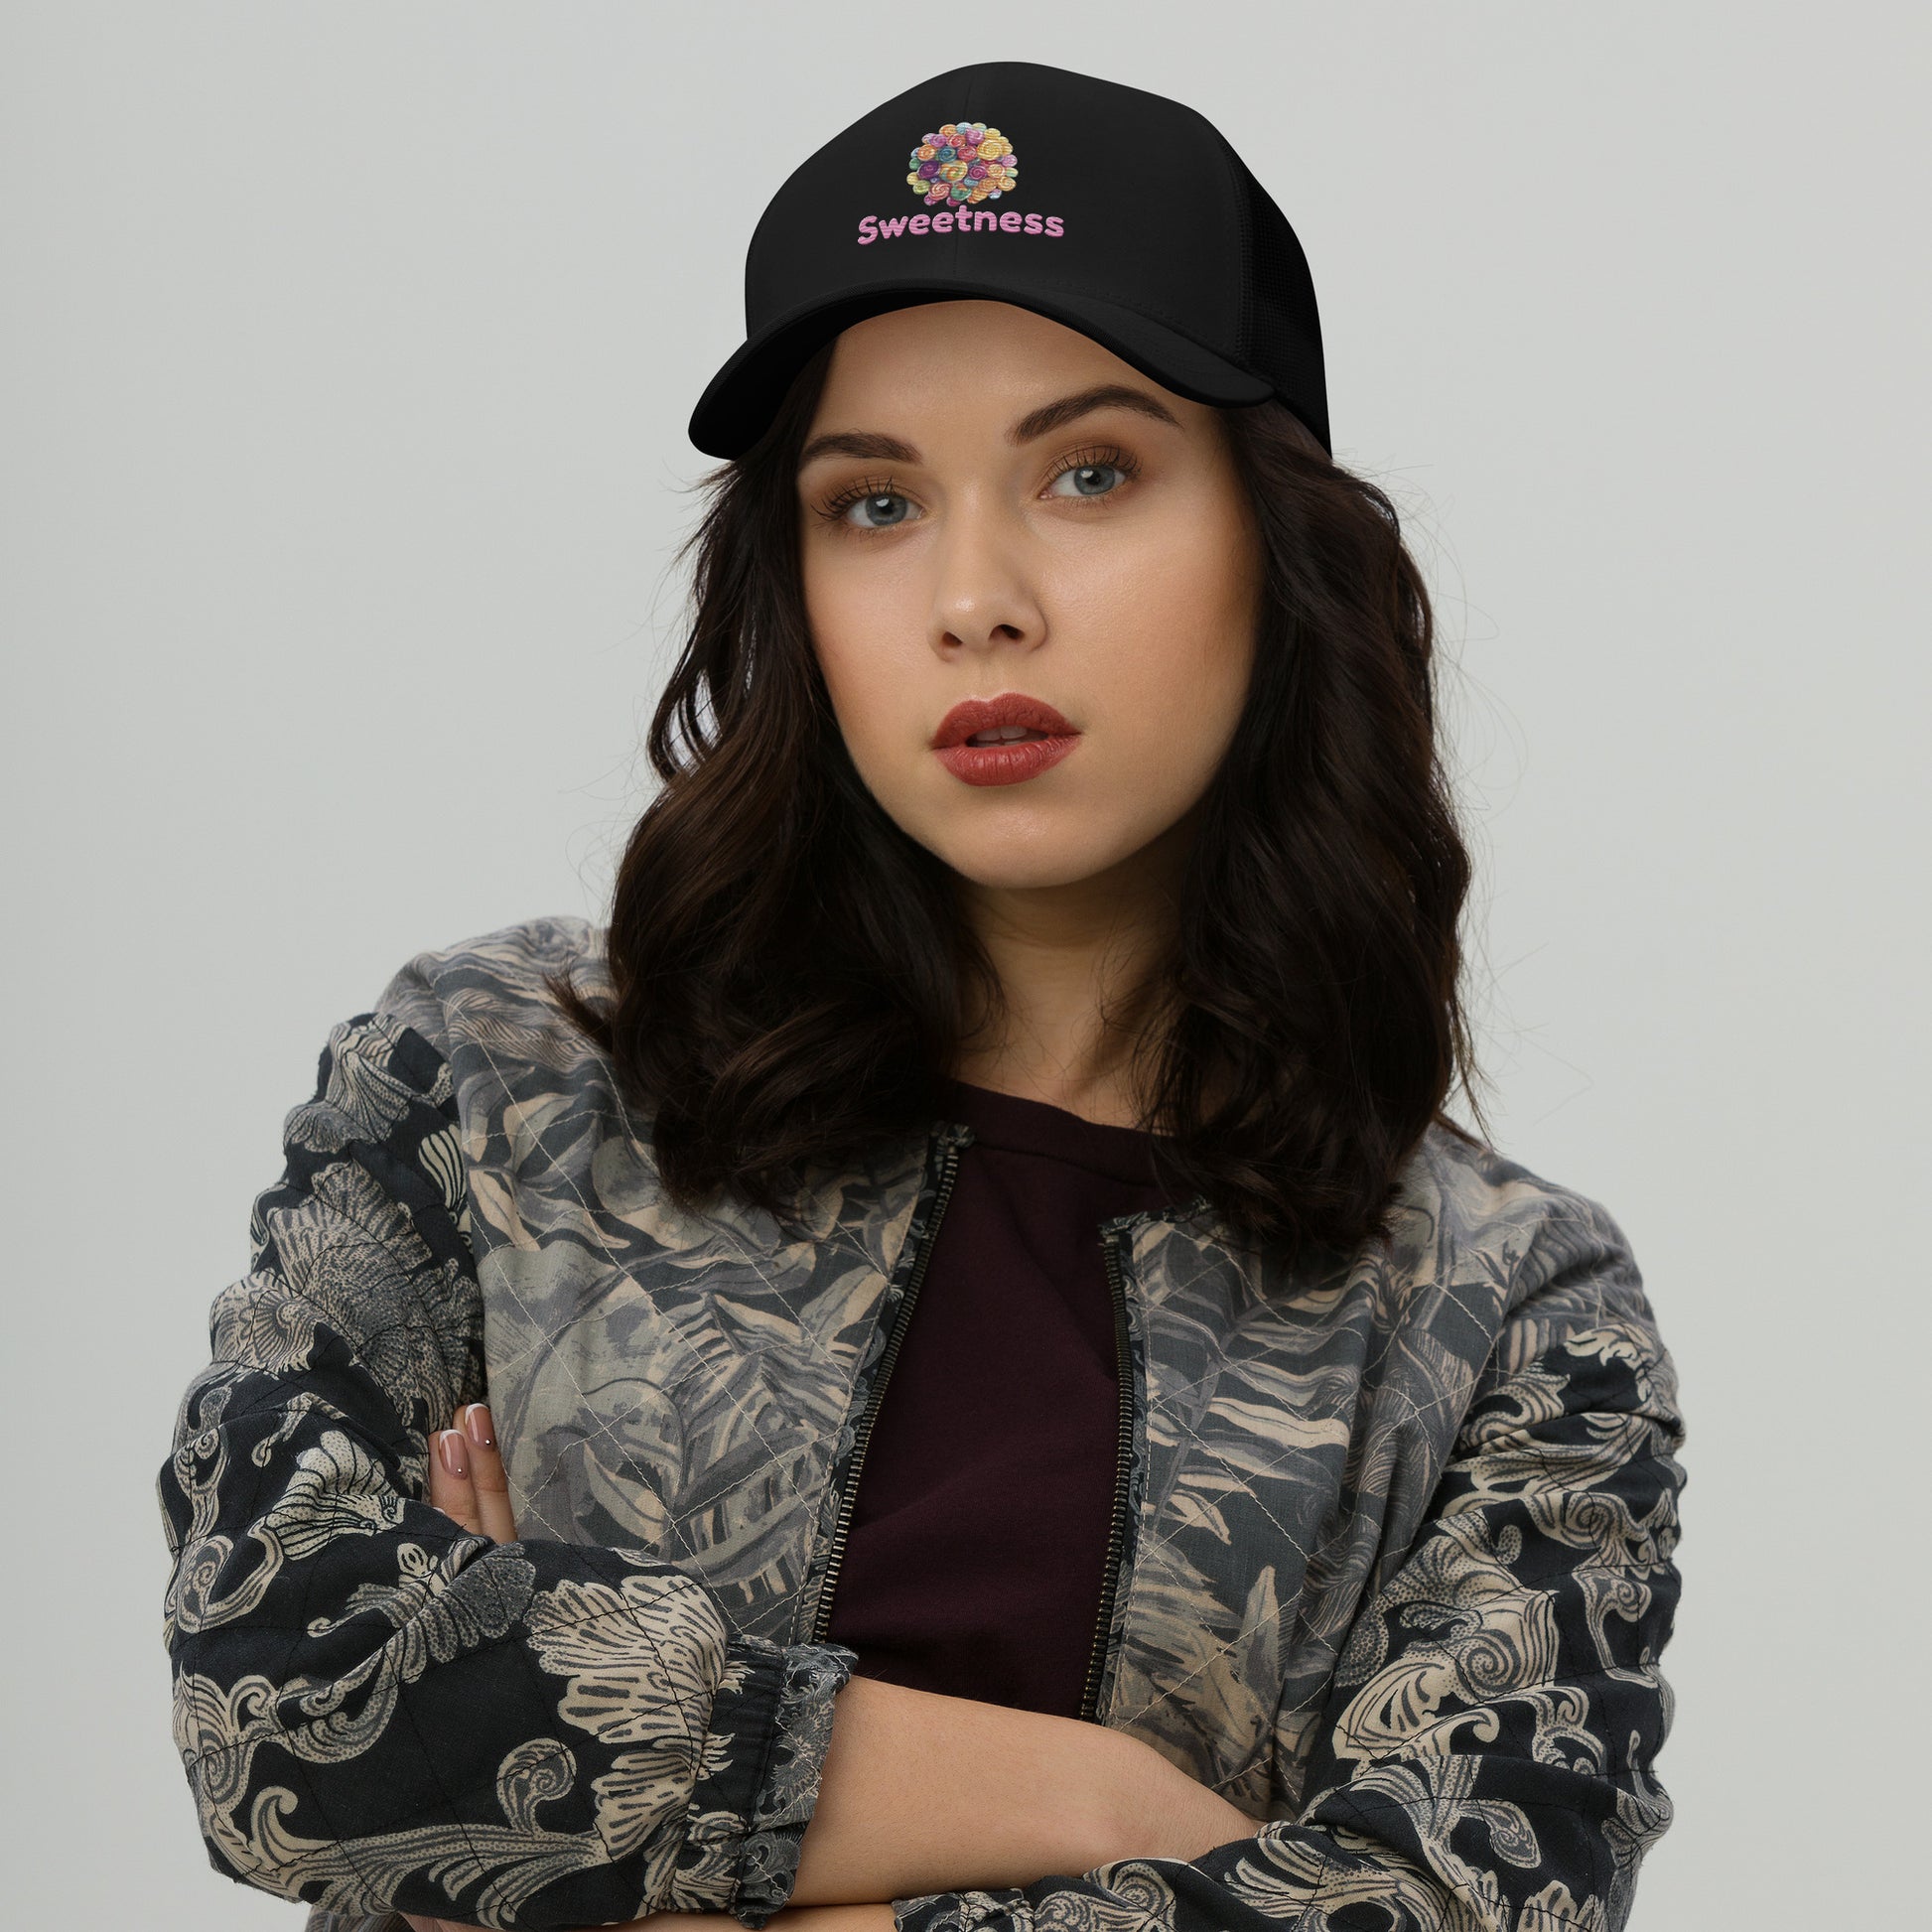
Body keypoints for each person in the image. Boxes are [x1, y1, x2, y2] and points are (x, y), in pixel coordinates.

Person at [157, 59, 1686, 1932]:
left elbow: (1455, 1901)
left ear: (1277, 548)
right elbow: (289, 1699)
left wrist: (611, 1828)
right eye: (871, 503)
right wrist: (1111, 1801)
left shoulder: (1499, 1310)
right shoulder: (494, 1088)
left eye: (1091, 471)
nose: (974, 597)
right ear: (787, 584)